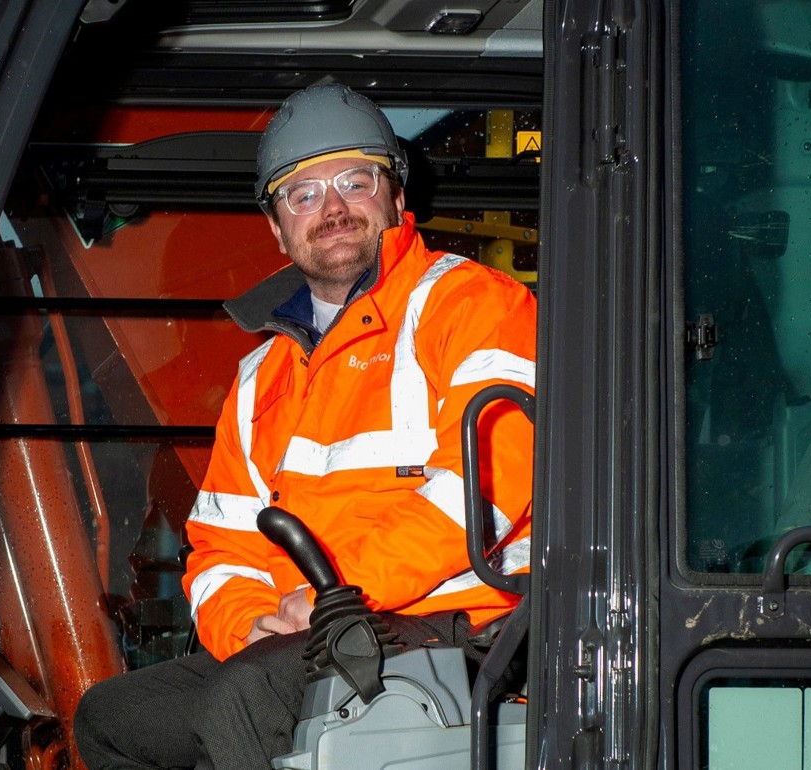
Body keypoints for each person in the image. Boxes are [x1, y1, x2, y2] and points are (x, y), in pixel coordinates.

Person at [73, 83, 537, 770]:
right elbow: (221, 547)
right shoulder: (261, 377)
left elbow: (490, 484)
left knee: (242, 700)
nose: (333, 209)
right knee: (112, 718)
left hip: (454, 625)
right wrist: (250, 625)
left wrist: (328, 595)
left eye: (355, 182)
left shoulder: (472, 306)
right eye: (304, 194)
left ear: (396, 196)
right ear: (276, 227)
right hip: (309, 633)